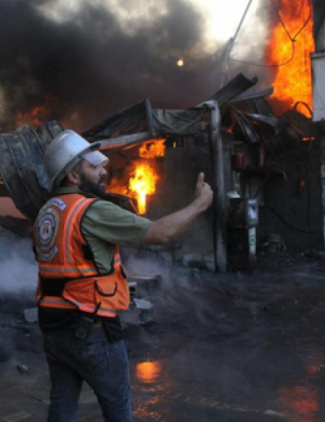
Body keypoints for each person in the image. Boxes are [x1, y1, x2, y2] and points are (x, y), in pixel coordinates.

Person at [33, 130, 213, 422]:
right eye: (93, 167)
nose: (104, 171)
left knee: (62, 408)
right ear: (73, 177)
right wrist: (199, 205)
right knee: (118, 408)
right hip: (91, 331)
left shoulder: (47, 213)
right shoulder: (91, 210)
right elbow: (160, 233)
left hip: (54, 329)